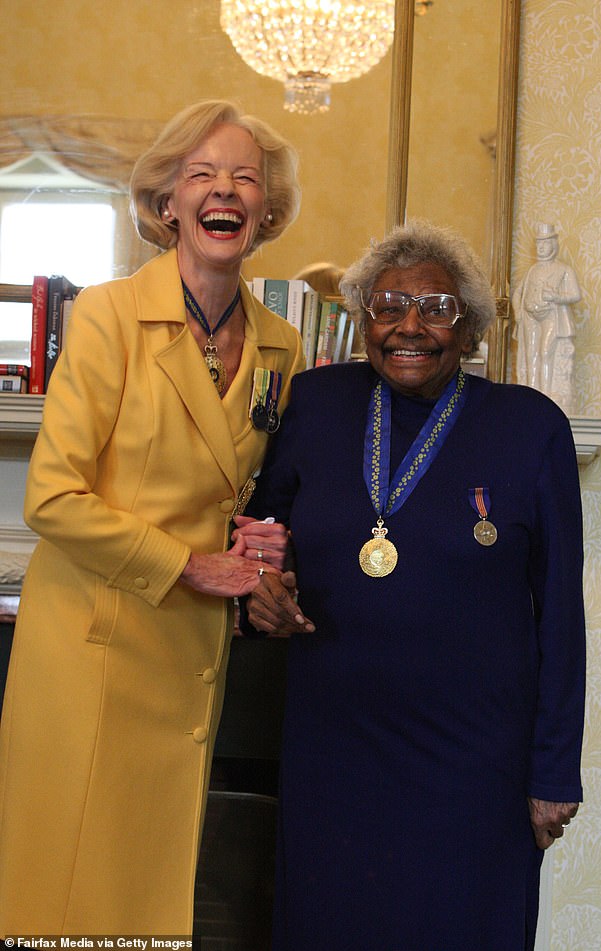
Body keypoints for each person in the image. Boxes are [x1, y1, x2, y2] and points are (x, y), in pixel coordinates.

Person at [0, 99, 305, 936]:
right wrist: (193, 564)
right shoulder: (105, 317)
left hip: (189, 654)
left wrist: (257, 537)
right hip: (93, 649)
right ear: (166, 202)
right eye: (202, 174)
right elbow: (53, 496)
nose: (226, 190)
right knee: (67, 894)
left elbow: (237, 487)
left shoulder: (282, 344)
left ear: (266, 210)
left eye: (246, 177)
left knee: (149, 888)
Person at [245, 219, 586, 950]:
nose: (409, 326)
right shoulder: (314, 405)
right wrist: (260, 589)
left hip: (474, 768)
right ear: (363, 317)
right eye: (388, 304)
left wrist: (554, 769)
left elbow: (559, 612)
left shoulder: (531, 428)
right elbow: (260, 534)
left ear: (470, 331)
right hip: (332, 755)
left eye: (436, 308)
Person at [512, 222, 582, 412]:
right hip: (530, 318)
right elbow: (517, 294)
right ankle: (531, 396)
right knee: (531, 354)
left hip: (551, 316)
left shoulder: (563, 270)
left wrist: (556, 297)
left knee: (546, 352)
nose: (542, 248)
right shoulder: (531, 271)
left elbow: (576, 295)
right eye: (539, 245)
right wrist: (518, 312)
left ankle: (545, 397)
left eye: (545, 244)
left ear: (553, 244)